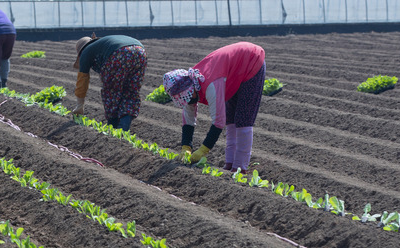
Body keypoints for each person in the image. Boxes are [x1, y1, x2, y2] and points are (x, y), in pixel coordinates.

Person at [163, 42, 265, 174]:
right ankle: (229, 163)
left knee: (243, 118)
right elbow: (188, 117)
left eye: (187, 96)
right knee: (231, 117)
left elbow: (218, 122)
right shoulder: (192, 82)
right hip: (232, 71)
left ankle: (240, 168)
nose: (187, 100)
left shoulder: (210, 85)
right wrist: (186, 146)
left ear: (191, 87)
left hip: (251, 60)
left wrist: (203, 150)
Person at [71, 33, 147, 132]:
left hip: (119, 54)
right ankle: (124, 126)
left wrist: (79, 105)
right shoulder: (102, 44)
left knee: (111, 92)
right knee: (131, 90)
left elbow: (82, 80)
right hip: (140, 52)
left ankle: (113, 126)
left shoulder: (86, 52)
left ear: (80, 52)